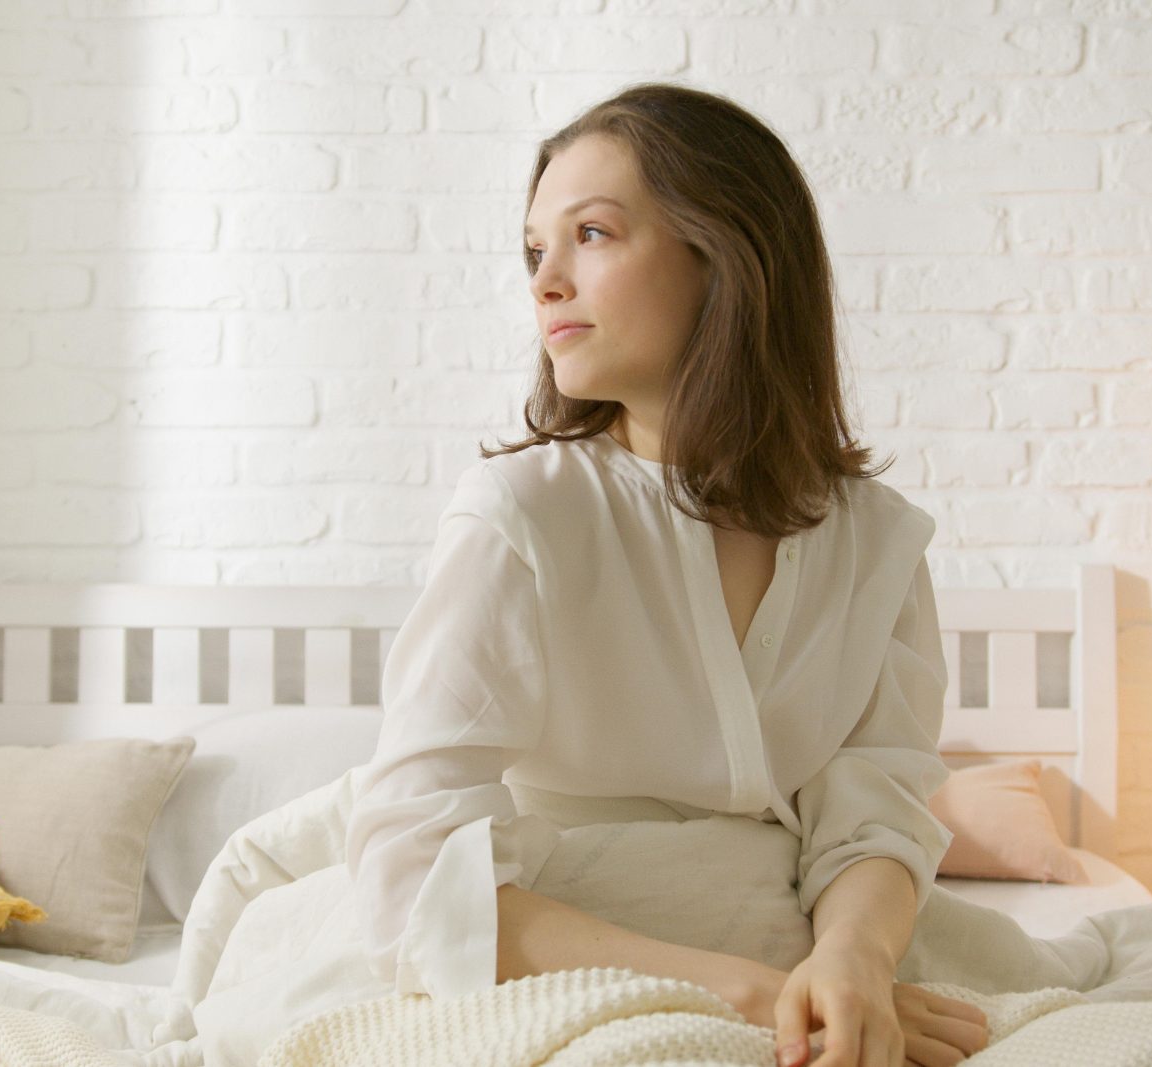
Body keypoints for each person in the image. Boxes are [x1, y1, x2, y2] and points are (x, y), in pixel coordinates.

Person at [344, 82, 989, 1067]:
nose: (544, 280)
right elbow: (412, 870)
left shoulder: (877, 538)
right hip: (564, 949)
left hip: (815, 937)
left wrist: (852, 958)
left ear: (724, 253)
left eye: (591, 234)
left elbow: (874, 814)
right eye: (533, 249)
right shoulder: (521, 513)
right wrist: (746, 987)